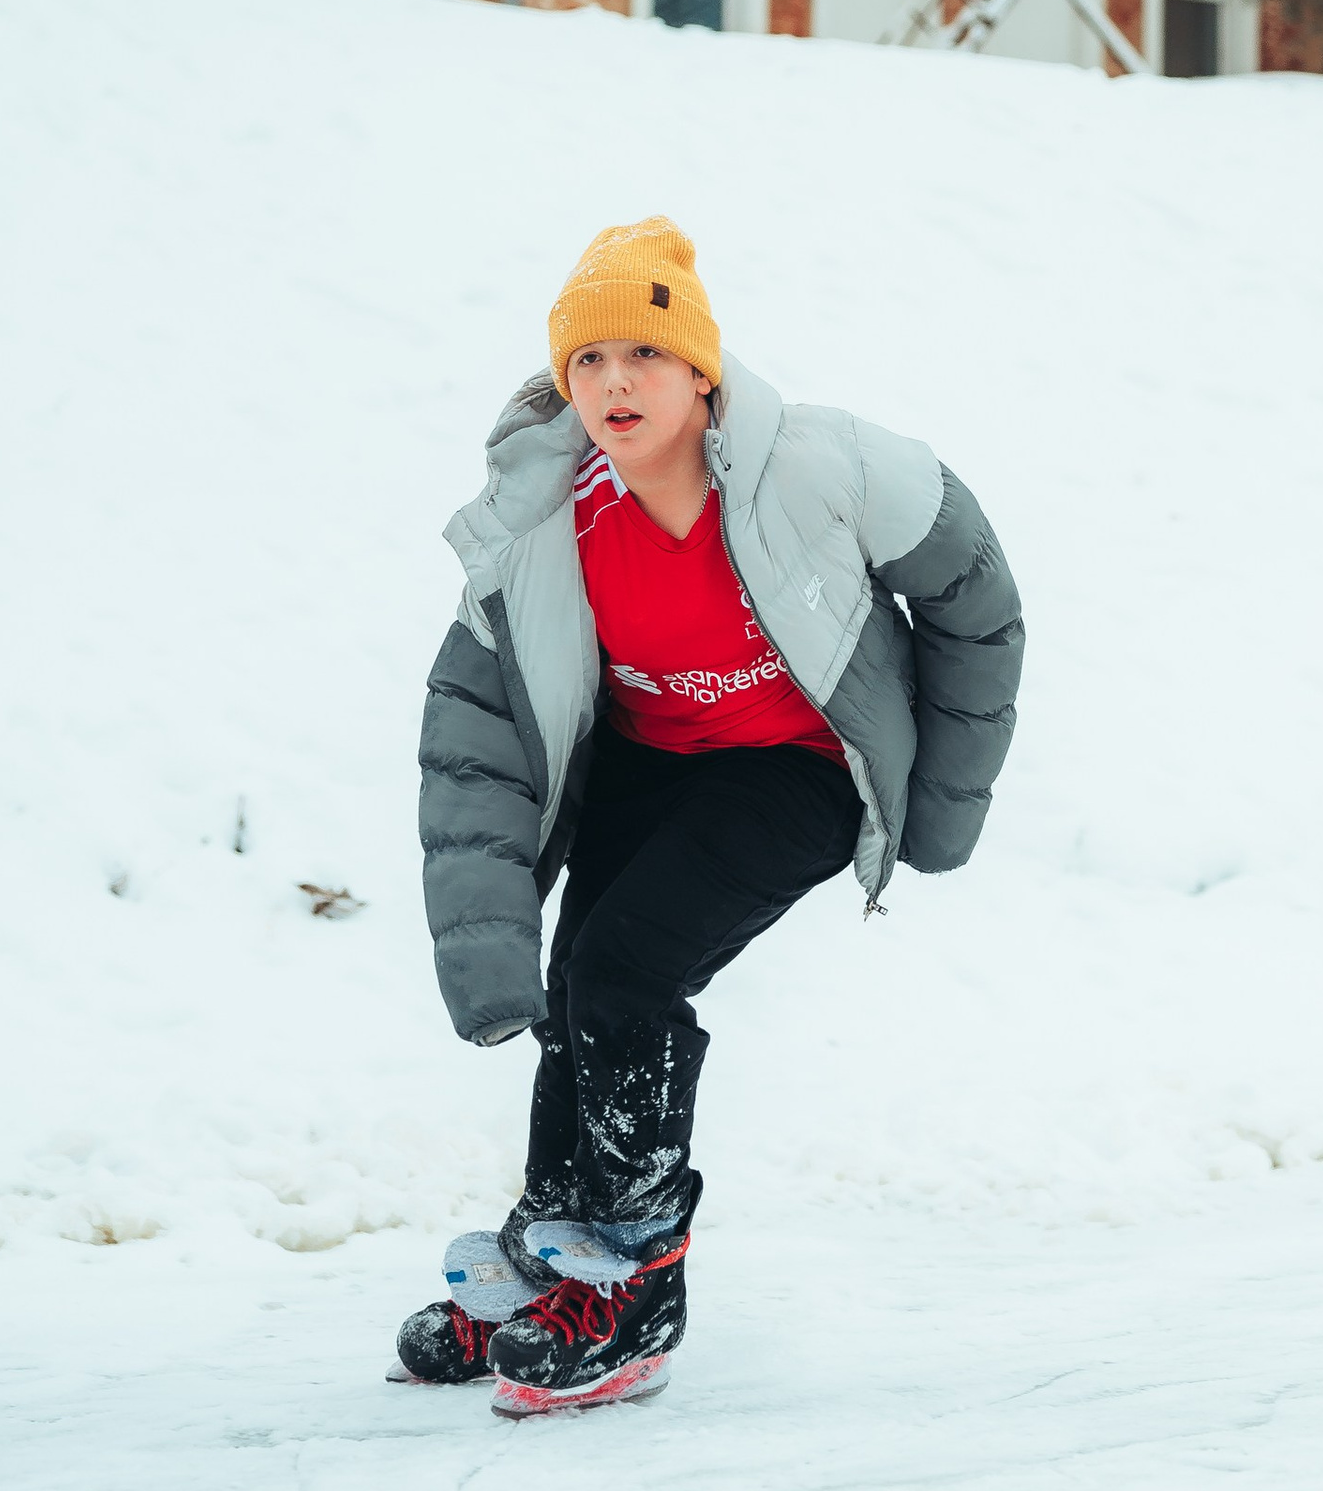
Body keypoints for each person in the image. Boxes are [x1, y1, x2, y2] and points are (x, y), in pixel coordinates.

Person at [391, 216, 1022, 1417]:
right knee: (577, 981)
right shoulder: (545, 522)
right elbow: (471, 734)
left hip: (797, 769)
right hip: (650, 761)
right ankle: (552, 1258)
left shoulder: (818, 465)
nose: (615, 383)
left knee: (628, 977)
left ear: (701, 371)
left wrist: (940, 798)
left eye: (643, 354)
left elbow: (975, 591)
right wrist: (487, 945)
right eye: (587, 362)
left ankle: (635, 1287)